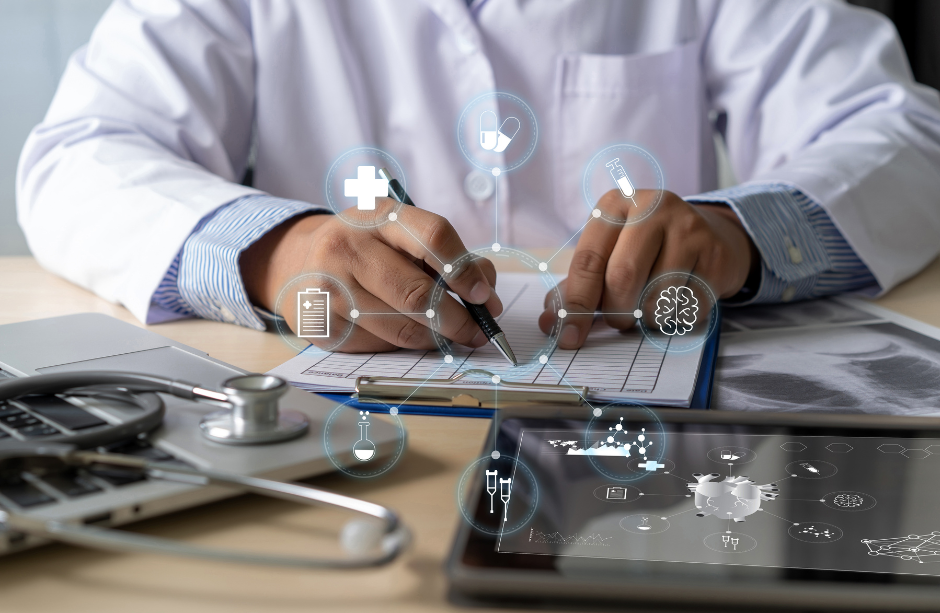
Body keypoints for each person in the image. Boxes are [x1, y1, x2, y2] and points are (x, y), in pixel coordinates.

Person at [17, 0, 940, 354]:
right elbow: (78, 154)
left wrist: (734, 232)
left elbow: (906, 134)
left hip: (638, 407)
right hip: (334, 409)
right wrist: (275, 252)